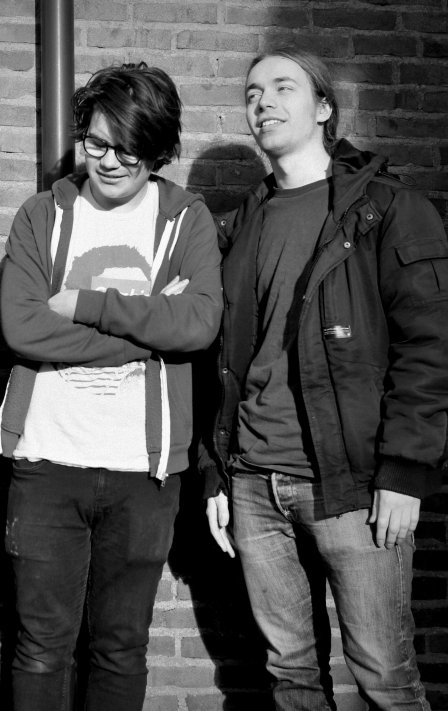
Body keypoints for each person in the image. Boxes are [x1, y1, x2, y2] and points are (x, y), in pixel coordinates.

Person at [203, 45, 447, 710]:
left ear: (323, 108)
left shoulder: (387, 209)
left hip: (353, 484)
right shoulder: (243, 223)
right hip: (254, 481)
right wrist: (217, 473)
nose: (264, 103)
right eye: (253, 93)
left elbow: (430, 348)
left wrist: (405, 470)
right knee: (289, 675)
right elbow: (221, 359)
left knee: (385, 675)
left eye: (283, 87)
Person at [0, 63, 222, 711]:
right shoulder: (43, 215)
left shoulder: (185, 219)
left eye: (130, 149)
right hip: (46, 461)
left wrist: (82, 304)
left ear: (158, 150)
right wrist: (152, 326)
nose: (111, 161)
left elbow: (199, 324)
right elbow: (25, 329)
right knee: (41, 647)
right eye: (97, 143)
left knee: (121, 647)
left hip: (143, 472)